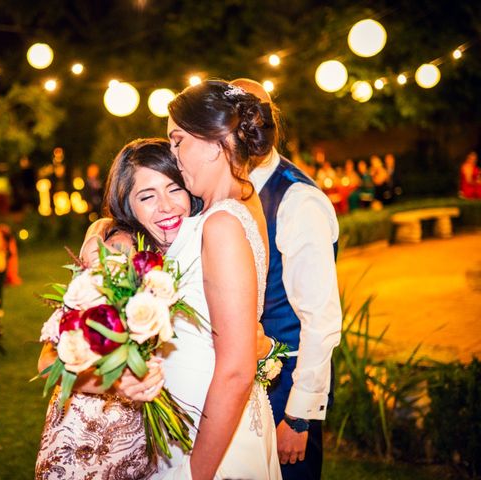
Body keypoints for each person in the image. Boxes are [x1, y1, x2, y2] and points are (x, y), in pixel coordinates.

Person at [35, 139, 201, 480]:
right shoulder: (117, 256)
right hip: (93, 446)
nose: (167, 206)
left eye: (175, 188)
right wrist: (115, 383)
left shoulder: (195, 247)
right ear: (127, 204)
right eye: (147, 196)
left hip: (151, 453)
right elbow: (48, 360)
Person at [157, 80, 281, 479]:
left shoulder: (223, 224)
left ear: (213, 144)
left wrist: (196, 472)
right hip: (208, 410)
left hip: (212, 430)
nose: (172, 155)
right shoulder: (242, 202)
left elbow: (236, 368)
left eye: (177, 140)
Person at [232, 77, 342, 480]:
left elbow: (321, 318)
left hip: (285, 391)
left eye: (255, 117)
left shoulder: (298, 199)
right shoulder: (230, 191)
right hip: (241, 384)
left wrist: (299, 416)